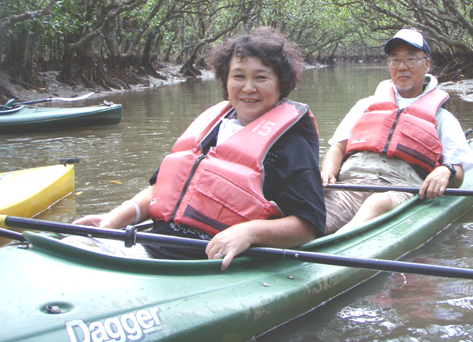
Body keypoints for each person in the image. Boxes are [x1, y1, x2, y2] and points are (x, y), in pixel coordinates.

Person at [73, 27, 326, 270]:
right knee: (73, 245)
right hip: (154, 246)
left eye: (261, 77)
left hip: (210, 263)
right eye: (238, 76)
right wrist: (111, 221)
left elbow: (307, 226)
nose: (248, 88)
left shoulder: (292, 144)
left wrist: (247, 232)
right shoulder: (210, 129)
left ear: (281, 84)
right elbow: (161, 190)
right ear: (225, 82)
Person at [322, 28, 473, 234]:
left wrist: (446, 170)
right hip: (351, 184)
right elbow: (338, 148)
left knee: (377, 202)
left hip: (399, 188)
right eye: (395, 60)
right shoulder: (366, 105)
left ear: (427, 64)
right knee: (315, 211)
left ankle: (337, 244)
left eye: (410, 59)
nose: (401, 67)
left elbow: (458, 175)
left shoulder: (443, 118)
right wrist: (327, 173)